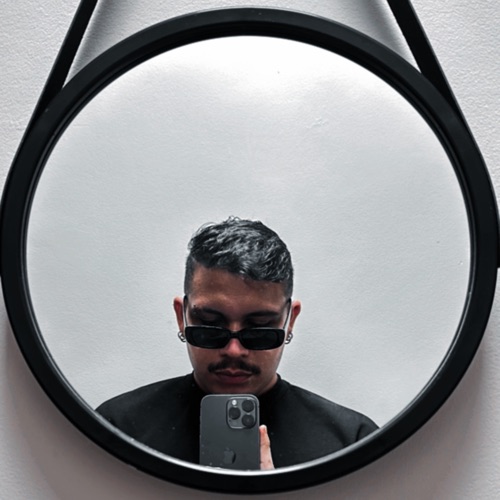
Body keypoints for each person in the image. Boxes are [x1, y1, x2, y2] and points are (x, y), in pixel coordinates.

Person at [97, 217, 377, 468]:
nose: (234, 350)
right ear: (181, 317)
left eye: (260, 328)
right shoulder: (117, 428)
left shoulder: (353, 442)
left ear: (289, 320)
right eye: (210, 324)